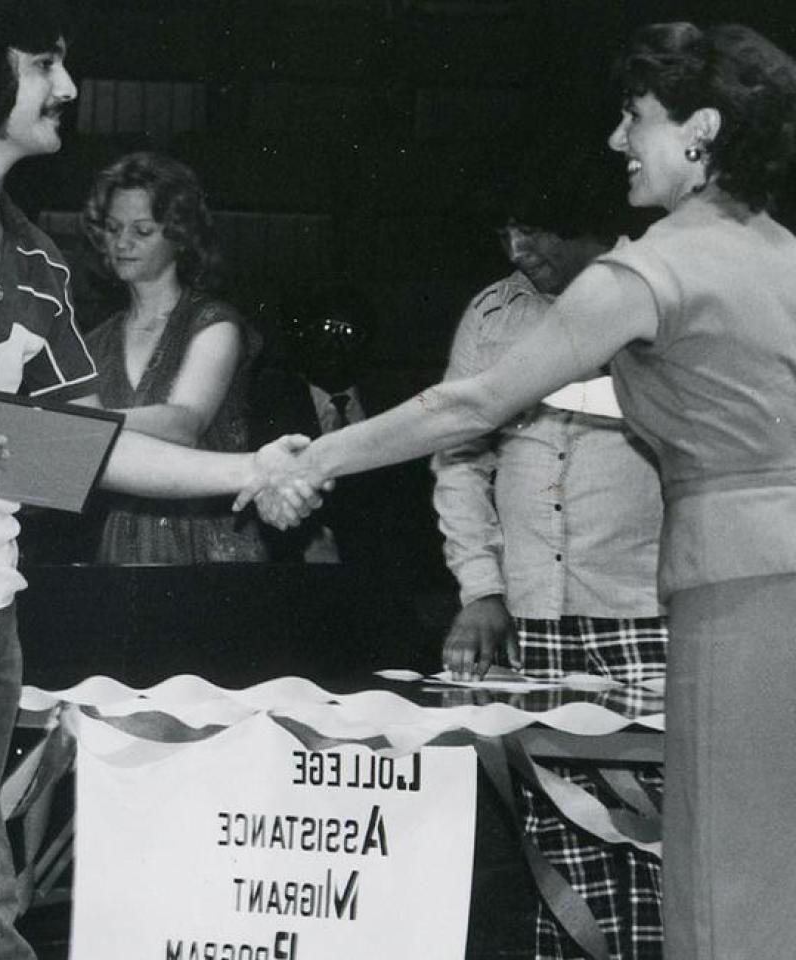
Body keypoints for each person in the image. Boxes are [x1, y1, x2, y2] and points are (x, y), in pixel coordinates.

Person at [246, 22, 796, 959]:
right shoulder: (779, 252)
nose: (619, 142)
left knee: (720, 889)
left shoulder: (652, 267)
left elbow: (467, 405)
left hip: (742, 599)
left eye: (635, 119)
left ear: (700, 128)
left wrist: (311, 461)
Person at [0, 3, 306, 958]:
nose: (70, 88)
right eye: (45, 63)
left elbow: (79, 450)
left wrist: (249, 468)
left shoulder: (43, 266)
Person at [435, 159, 667, 958]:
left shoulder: (658, 297)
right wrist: (481, 587)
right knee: (557, 843)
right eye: (504, 229)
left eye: (534, 228)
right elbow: (457, 458)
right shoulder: (492, 315)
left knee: (662, 838)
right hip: (534, 618)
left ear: (590, 223)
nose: (516, 247)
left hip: (648, 610)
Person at [82, 151, 266, 564]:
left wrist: (74, 424)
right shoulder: (94, 342)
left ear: (180, 235)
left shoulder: (215, 324)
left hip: (210, 544)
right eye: (112, 229)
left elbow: (184, 424)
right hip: (120, 548)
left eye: (142, 230)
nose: (122, 243)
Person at [253, 282, 439, 570]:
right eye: (327, 329)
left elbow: (413, 507)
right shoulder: (273, 408)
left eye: (350, 333)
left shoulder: (391, 409)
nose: (336, 345)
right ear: (305, 335)